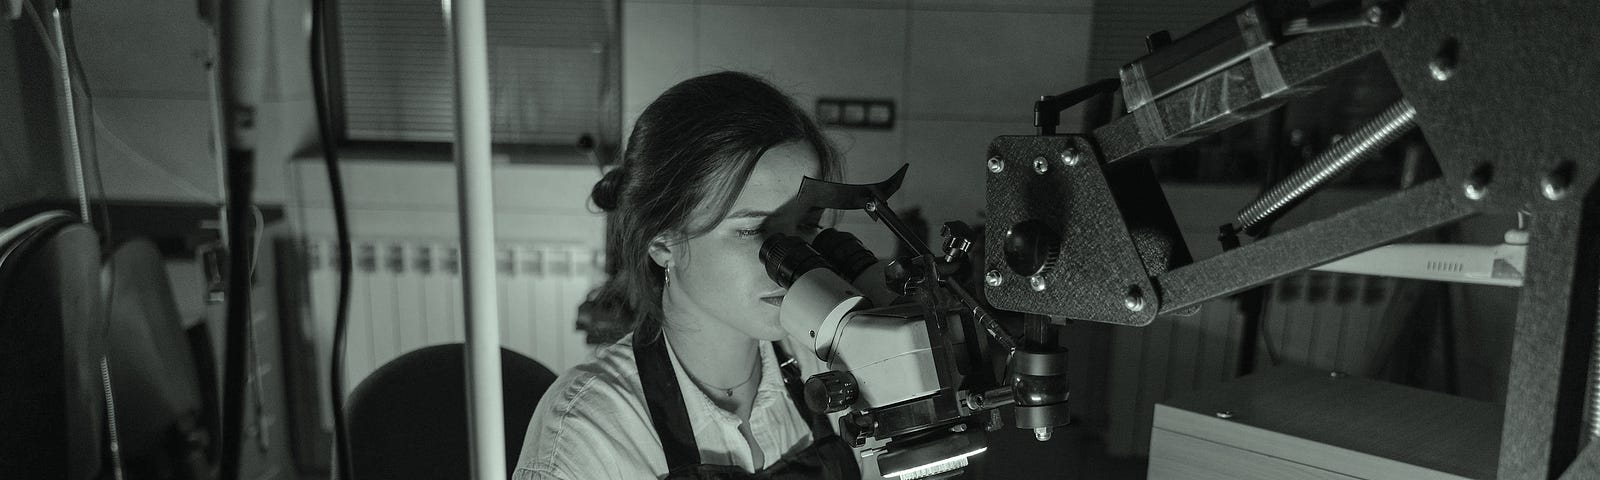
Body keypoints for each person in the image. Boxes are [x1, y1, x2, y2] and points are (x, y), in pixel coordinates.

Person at [513, 71, 864, 479]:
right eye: (753, 229)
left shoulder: (825, 364)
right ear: (663, 241)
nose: (793, 263)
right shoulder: (589, 432)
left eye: (806, 226)